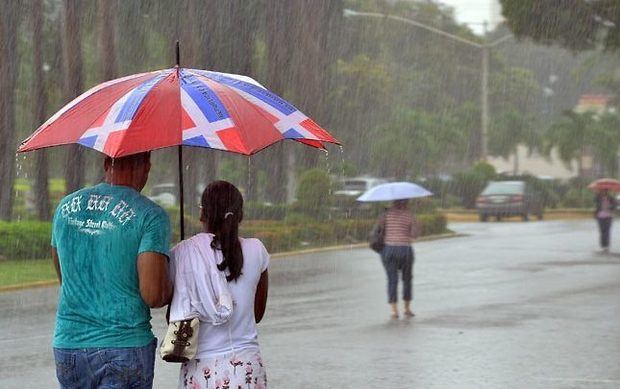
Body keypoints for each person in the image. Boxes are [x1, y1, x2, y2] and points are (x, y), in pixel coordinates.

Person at [51, 152, 172, 388]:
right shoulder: (150, 216)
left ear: (107, 163)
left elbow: (64, 276)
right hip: (124, 346)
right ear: (146, 167)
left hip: (69, 345)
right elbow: (153, 295)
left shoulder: (65, 208)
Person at [170, 181, 269, 389]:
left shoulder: (183, 254)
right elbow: (257, 313)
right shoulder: (257, 250)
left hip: (199, 369)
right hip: (246, 369)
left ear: (203, 214)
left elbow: (176, 316)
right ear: (239, 215)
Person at [378, 199, 419, 319]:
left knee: (392, 279)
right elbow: (414, 235)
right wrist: (416, 225)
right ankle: (407, 308)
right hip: (405, 250)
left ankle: (394, 311)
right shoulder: (409, 215)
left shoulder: (385, 215)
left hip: (389, 250)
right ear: (406, 203)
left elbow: (380, 229)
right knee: (407, 279)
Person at [594, 189, 616, 253]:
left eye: (604, 191)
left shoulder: (611, 198)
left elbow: (614, 205)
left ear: (607, 191)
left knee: (607, 231)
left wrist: (610, 206)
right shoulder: (598, 198)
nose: (603, 192)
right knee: (602, 231)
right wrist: (598, 194)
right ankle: (603, 246)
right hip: (600, 216)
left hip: (609, 216)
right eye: (602, 191)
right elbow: (595, 203)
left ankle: (606, 246)